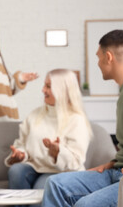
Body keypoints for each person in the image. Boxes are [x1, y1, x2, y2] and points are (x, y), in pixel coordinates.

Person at [42, 30, 123, 207]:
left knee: (85, 204)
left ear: (108, 57)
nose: (98, 64)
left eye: (99, 58)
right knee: (55, 184)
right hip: (120, 170)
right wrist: (114, 162)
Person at [5, 69, 92, 204]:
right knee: (16, 170)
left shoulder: (76, 120)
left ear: (63, 90)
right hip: (35, 167)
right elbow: (21, 143)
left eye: (48, 86)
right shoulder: (35, 114)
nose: (43, 90)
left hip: (61, 172)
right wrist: (21, 154)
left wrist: (57, 152)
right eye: (44, 85)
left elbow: (76, 162)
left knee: (44, 185)